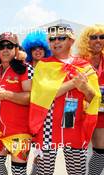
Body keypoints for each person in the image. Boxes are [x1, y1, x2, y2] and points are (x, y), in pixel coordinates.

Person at [29, 23, 100, 175]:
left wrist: (85, 88)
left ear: (71, 41)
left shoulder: (84, 66)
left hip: (75, 125)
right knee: (44, 171)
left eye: (61, 37)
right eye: (52, 39)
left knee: (77, 172)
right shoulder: (44, 65)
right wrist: (74, 83)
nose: (56, 41)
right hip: (48, 125)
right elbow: (45, 94)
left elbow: (93, 98)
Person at [0, 32, 33, 175]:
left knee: (18, 172)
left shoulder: (25, 68)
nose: (5, 49)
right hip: (0, 131)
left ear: (16, 49)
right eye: (1, 46)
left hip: (20, 132)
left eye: (9, 46)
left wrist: (5, 95)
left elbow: (30, 97)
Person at [21, 30, 51, 175]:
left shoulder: (51, 69)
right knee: (22, 154)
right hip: (24, 116)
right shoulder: (24, 68)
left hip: (44, 118)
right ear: (29, 50)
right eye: (34, 48)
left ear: (46, 50)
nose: (38, 51)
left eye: (41, 48)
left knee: (40, 156)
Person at [77, 24, 104, 175]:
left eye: (101, 37)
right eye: (93, 37)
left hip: (101, 112)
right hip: (82, 113)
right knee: (77, 152)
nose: (98, 40)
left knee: (100, 151)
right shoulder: (79, 61)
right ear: (86, 41)